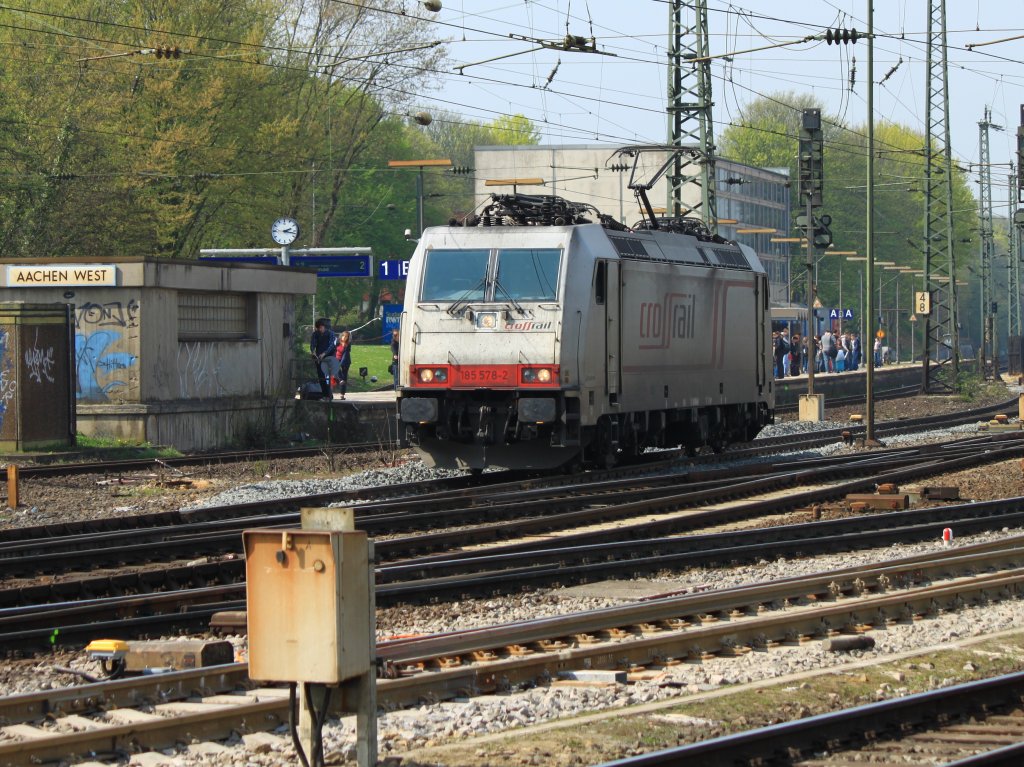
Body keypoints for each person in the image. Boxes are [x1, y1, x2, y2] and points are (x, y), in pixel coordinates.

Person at [309, 318, 338, 400]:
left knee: (328, 377)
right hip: (319, 357)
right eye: (318, 329)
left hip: (329, 357)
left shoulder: (331, 334)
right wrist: (313, 351)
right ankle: (325, 395)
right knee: (321, 377)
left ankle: (329, 395)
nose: (319, 330)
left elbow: (331, 345)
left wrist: (324, 353)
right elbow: (313, 343)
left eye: (320, 328)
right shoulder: (315, 334)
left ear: (323, 327)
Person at [334, 330, 352, 400]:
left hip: (346, 361)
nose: (345, 338)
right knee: (337, 371)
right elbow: (334, 349)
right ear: (341, 336)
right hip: (337, 358)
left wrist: (341, 364)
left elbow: (345, 355)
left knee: (344, 378)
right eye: (344, 336)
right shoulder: (338, 342)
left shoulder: (348, 345)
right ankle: (340, 380)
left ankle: (342, 394)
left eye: (346, 337)